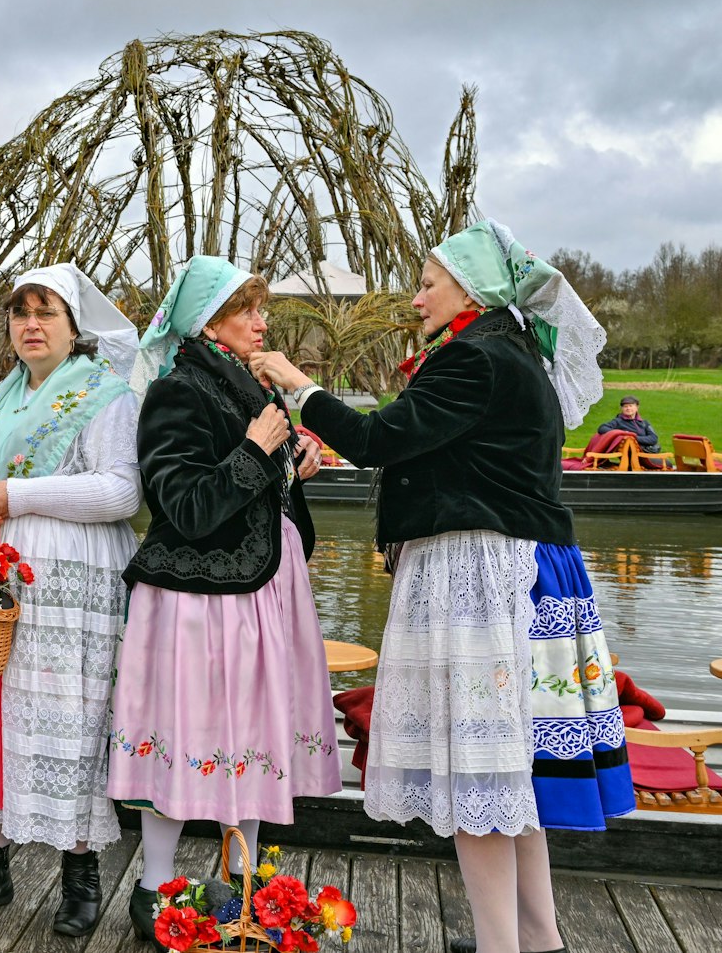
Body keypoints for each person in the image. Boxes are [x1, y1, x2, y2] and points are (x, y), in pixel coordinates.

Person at [250, 219, 631, 953]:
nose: (416, 297)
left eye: (428, 283)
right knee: (506, 779)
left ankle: (500, 946)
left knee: (480, 779)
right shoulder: (509, 351)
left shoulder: (477, 358)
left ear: (471, 289)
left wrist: (301, 388)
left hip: (479, 573)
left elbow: (375, 441)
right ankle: (535, 940)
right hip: (516, 563)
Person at [108, 256, 339, 943]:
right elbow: (180, 504)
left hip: (256, 593)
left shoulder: (246, 385)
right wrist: (252, 452)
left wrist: (289, 464)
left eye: (259, 308)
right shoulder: (178, 391)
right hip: (198, 601)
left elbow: (253, 488)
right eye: (246, 310)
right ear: (207, 322)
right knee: (183, 732)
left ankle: (242, 882)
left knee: (251, 732)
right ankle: (153, 887)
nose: (261, 322)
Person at [0, 263, 141, 937]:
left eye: (46, 313)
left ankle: (80, 871)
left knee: (64, 716)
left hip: (67, 582)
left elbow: (121, 492)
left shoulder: (106, 398)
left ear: (75, 329)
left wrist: (20, 495)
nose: (31, 325)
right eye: (20, 313)